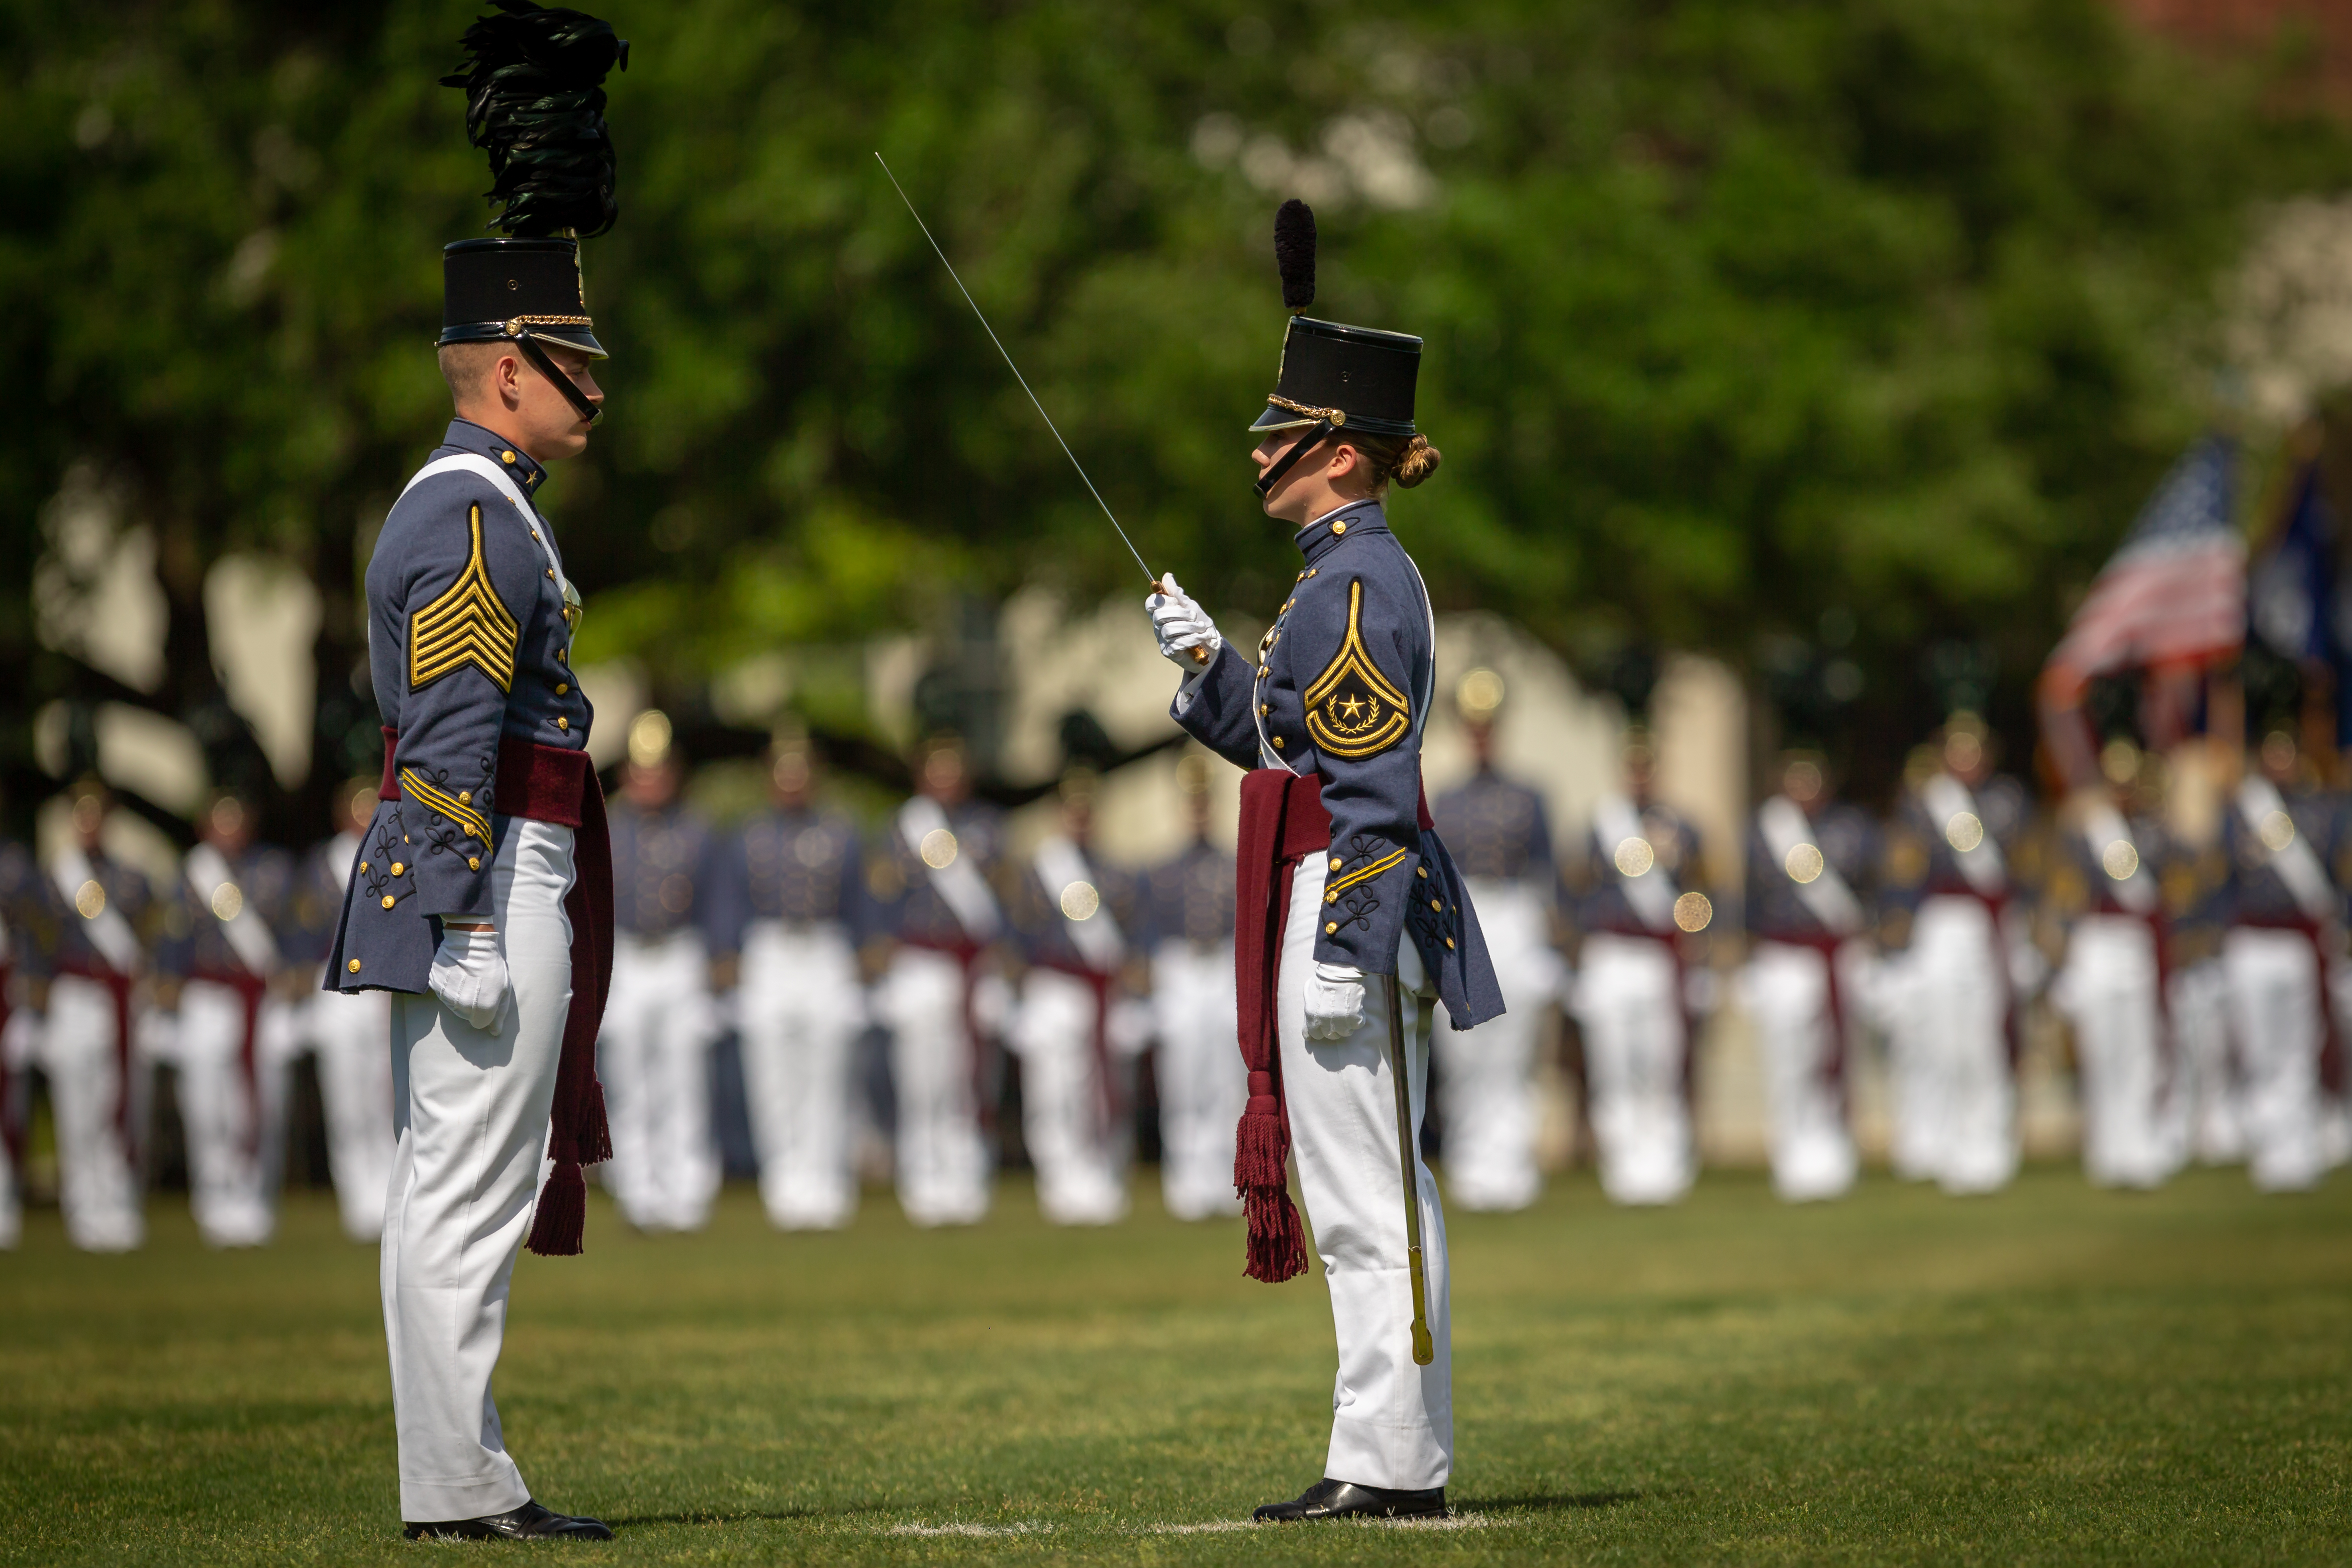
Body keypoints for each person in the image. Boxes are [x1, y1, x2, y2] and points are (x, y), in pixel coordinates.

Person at [1144, 200, 1502, 1522]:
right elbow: (1286, 746)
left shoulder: (1353, 586)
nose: (1256, 454)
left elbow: (1369, 797)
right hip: (1320, 894)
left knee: (1369, 1196)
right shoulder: (1326, 579)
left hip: (1343, 907)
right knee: (1358, 1190)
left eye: (1277, 434)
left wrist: (1346, 954)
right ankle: (1381, 1452)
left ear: (1336, 454)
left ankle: (1392, 1462)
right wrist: (1209, 672)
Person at [321, 4, 625, 1537]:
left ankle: (465, 1472)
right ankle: (454, 1487)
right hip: (491, 872)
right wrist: (472, 922)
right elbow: (450, 740)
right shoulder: (472, 517)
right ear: (508, 368)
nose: (599, 381)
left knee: (464, 1191)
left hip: (503, 863)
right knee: (463, 1192)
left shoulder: (497, 507)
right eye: (576, 359)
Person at [1873, 715, 2037, 1195]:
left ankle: (1990, 1144)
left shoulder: (2008, 801)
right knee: (1945, 1040)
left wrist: (2033, 936)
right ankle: (1949, 1144)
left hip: (1991, 926)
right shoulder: (1924, 804)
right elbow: (1902, 876)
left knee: (1985, 1039)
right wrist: (1895, 944)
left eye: (1975, 750)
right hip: (1942, 924)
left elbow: (2027, 871)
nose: (1967, 760)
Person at [712, 733, 867, 1231]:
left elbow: (861, 904)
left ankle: (826, 1185)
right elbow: (729, 902)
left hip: (824, 948)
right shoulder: (748, 837)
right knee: (773, 1077)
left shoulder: (843, 833)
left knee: (827, 1073)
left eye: (801, 772)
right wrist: (727, 956)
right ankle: (785, 1187)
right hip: (771, 950)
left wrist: (869, 955)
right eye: (784, 772)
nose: (793, 783)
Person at [1429, 669, 1561, 1211]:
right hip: (1465, 915)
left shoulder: (1529, 797)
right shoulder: (1447, 797)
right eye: (1472, 725)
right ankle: (1470, 1164)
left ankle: (1512, 1162)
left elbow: (1547, 872)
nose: (1480, 734)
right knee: (1463, 1051)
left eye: (1487, 725)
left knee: (1513, 1048)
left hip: (1514, 915)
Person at [865, 735, 1007, 1227]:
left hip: (970, 966)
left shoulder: (988, 827)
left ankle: (966, 1177)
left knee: (966, 1079)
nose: (946, 779)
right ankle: (924, 1180)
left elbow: (1003, 902)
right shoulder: (903, 828)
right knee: (921, 1079)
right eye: (937, 769)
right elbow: (880, 898)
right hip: (920, 962)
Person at [1566, 724, 1708, 1206]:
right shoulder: (1601, 825)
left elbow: (1700, 895)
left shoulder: (1682, 827)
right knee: (1614, 1064)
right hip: (1610, 952)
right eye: (1633, 766)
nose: (1640, 775)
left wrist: (1699, 948)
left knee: (1661, 1063)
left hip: (1657, 956)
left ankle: (1666, 1162)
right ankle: (1623, 1164)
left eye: (1647, 766)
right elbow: (1578, 892)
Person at [598, 710, 723, 1233]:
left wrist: (721, 959)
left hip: (679, 953)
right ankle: (638, 1190)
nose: (651, 780)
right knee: (628, 1077)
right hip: (625, 956)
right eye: (642, 770)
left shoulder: (698, 829)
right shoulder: (603, 827)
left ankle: (688, 1191)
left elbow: (719, 903)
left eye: (661, 769)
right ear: (628, 774)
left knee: (684, 1076)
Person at [157, 790, 299, 1247]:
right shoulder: (190, 874)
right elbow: (173, 934)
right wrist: (167, 980)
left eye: (237, 818)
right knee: (206, 1106)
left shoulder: (274, 869)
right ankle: (214, 1201)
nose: (230, 828)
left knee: (263, 1104)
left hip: (260, 999)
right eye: (221, 819)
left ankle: (256, 1198)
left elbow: (294, 932)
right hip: (207, 997)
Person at [1007, 769, 1141, 1225]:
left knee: (1102, 1090)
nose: (1080, 821)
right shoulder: (1037, 874)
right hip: (1054, 988)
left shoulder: (1115, 874)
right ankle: (1059, 1179)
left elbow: (1132, 939)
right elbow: (1018, 937)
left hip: (1101, 993)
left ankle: (1101, 1174)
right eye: (1072, 812)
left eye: (1087, 813)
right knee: (1054, 1090)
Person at [1740, 752, 1877, 1203]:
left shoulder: (1852, 828)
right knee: (1788, 1062)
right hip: (1785, 955)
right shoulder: (1764, 833)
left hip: (1836, 957)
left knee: (1835, 1056)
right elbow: (1748, 901)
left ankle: (1832, 1150)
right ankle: (1792, 1154)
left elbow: (1873, 889)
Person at [2046, 740, 2182, 1188]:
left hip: (2139, 943)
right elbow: (2065, 896)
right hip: (2099, 941)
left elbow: (2175, 887)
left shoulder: (2155, 832)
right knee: (2104, 1050)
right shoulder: (2085, 834)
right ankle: (2108, 1151)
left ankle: (2141, 1146)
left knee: (2142, 1049)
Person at [2221, 728, 2347, 1192]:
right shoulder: (2240, 811)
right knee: (2260, 1048)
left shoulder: (2320, 810)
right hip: (2254, 940)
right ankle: (2271, 1148)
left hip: (2297, 941)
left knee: (2299, 1047)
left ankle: (2297, 1152)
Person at [32, 779, 151, 1252]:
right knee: (75, 1112)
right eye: (81, 814)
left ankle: (117, 1203)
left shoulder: (130, 879)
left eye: (96, 813)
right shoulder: (51, 880)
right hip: (72, 997)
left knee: (114, 1105)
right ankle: (83, 1208)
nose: (89, 823)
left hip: (114, 1001)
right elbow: (38, 944)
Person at [290, 778, 398, 1241]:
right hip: (335, 991)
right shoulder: (320, 865)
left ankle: (390, 1192)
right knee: (346, 1103)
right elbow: (304, 931)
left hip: (382, 989)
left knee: (386, 1096)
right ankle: (358, 1199)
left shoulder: (395, 849)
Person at [1141, 749, 1244, 1221]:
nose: (1199, 811)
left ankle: (1227, 1179)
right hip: (1181, 968)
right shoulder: (1160, 871)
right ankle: (1186, 1181)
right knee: (1183, 1077)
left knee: (1228, 1079)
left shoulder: (1233, 863)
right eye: (1193, 803)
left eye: (1205, 802)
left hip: (1222, 966)